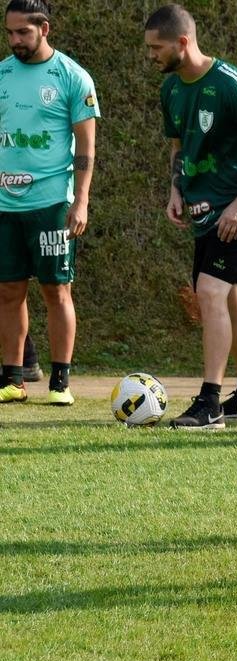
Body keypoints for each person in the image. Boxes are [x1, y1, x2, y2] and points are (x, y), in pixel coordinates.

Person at [145, 4, 237, 430]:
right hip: (203, 211)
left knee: (209, 292)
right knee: (230, 297)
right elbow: (178, 145)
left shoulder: (232, 85)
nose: (151, 55)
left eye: (157, 47)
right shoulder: (171, 89)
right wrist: (175, 188)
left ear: (183, 42)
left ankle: (210, 404)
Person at [0, 0, 98, 406]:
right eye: (9, 33)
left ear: (44, 29)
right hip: (5, 204)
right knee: (8, 291)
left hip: (52, 202)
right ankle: (13, 379)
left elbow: (86, 148)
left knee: (56, 290)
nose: (15, 40)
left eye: (23, 32)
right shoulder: (2, 74)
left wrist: (81, 201)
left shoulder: (72, 77)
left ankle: (60, 382)